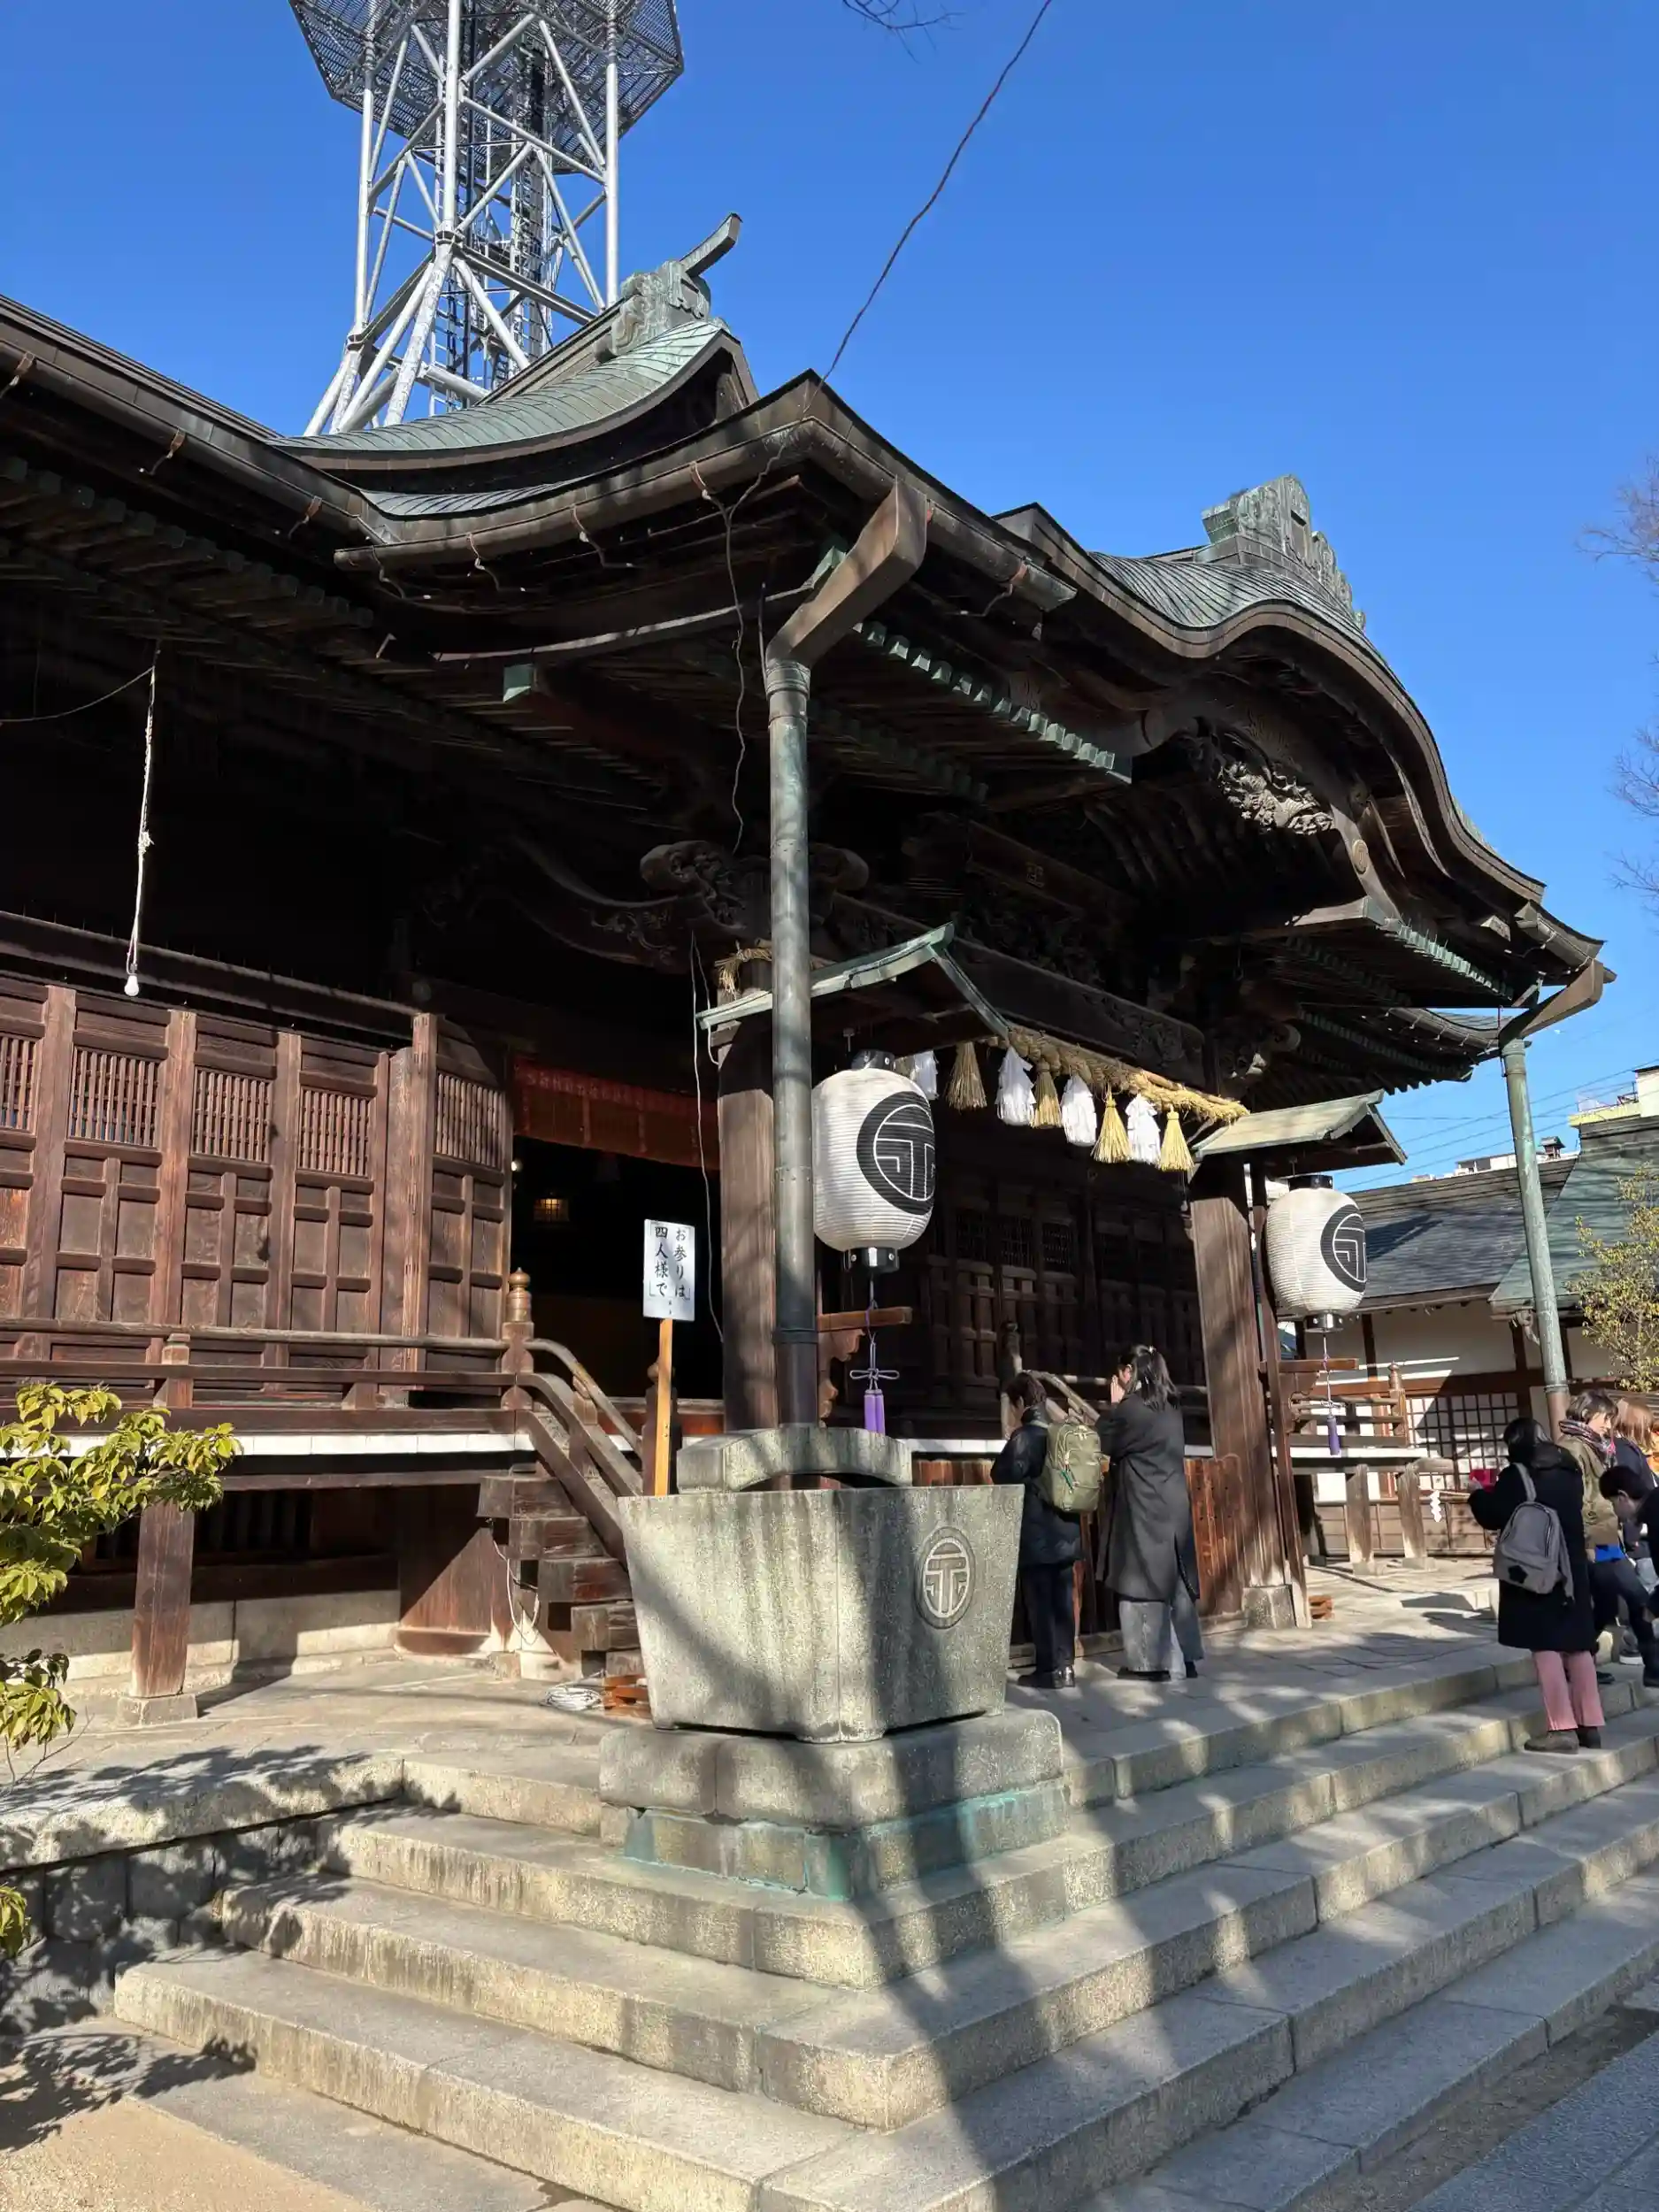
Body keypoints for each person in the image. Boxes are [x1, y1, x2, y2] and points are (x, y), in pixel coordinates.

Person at [1469, 1416, 1603, 1753]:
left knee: (1545, 1645)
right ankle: (1590, 1725)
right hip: (1573, 1566)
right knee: (1578, 1645)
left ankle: (1561, 1727)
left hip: (1537, 1569)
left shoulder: (1518, 1474)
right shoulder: (1569, 1468)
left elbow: (1494, 1514)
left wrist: (1477, 1495)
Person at [1097, 1344, 1202, 1682]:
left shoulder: (1133, 1409)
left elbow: (1106, 1442)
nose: (1118, 1381)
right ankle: (1187, 1659)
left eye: (1121, 1374)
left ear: (1130, 1371)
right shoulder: (1171, 1406)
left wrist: (1114, 1407)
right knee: (1179, 1583)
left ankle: (1148, 1664)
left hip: (1144, 1509)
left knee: (1141, 1581)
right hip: (1173, 1507)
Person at [1562, 1389, 1659, 1686]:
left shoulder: (1595, 1445)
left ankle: (1577, 1659)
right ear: (1587, 1414)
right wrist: (1589, 1540)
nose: (1608, 1425)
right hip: (1595, 1541)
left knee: (1607, 1605)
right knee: (1635, 1596)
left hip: (1607, 1537)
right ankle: (1653, 1667)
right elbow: (1576, 1501)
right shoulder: (1572, 1449)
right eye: (1605, 1418)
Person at [992, 1372, 1081, 1690]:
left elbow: (1001, 1474)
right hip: (1067, 1533)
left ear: (1020, 1402)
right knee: (1063, 1604)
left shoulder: (1024, 1438)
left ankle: (1048, 1670)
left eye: (1012, 1406)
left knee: (1041, 1604)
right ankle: (1066, 1668)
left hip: (1038, 1537)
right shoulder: (1063, 1434)